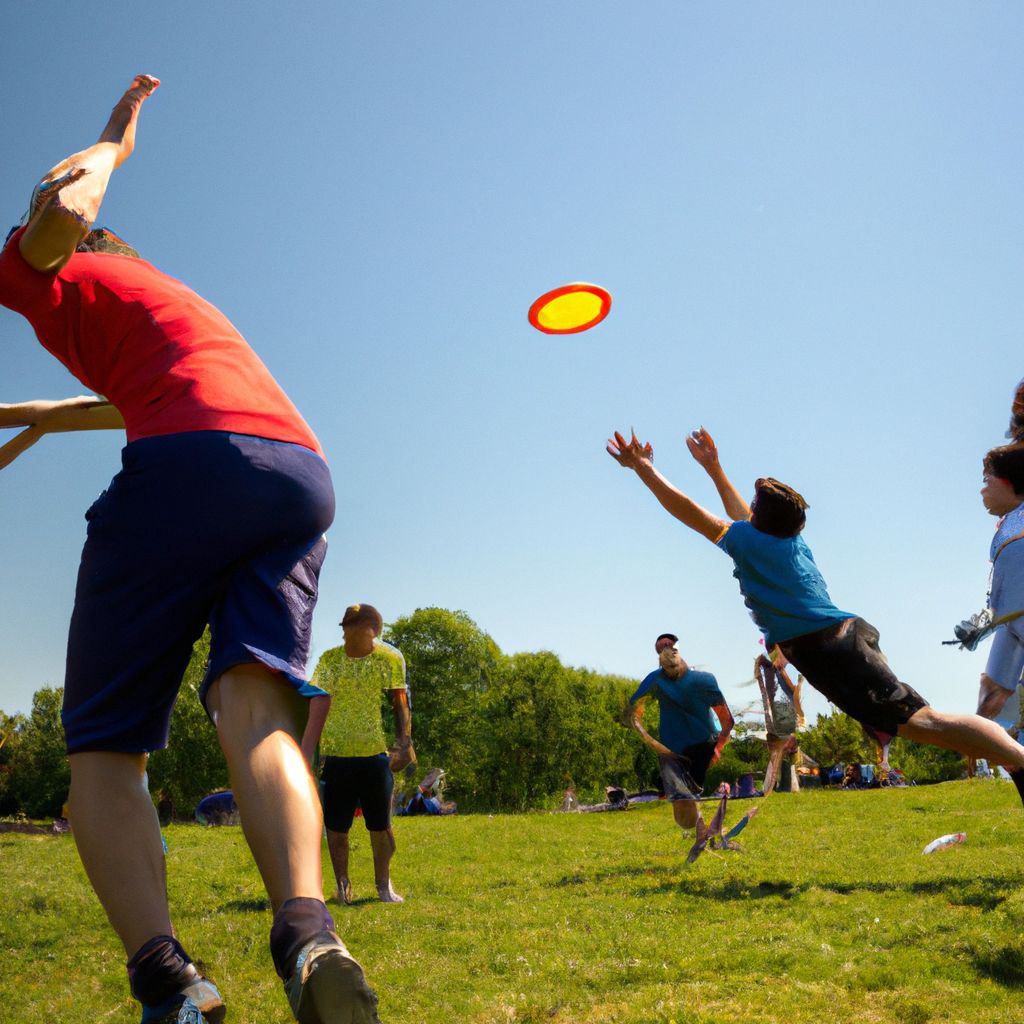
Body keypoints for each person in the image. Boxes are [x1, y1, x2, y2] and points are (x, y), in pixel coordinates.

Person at [0, 77, 380, 1024]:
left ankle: (169, 983)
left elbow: (60, 213)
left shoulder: (39, 263)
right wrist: (42, 419)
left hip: (185, 471)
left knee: (104, 749)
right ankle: (307, 932)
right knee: (255, 713)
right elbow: (150, 396)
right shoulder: (159, 292)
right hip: (296, 470)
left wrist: (106, 156)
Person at [606, 425, 1024, 804]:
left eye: (754, 506)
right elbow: (744, 519)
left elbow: (686, 510)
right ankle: (1016, 763)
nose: (747, 511)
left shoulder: (751, 542)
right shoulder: (788, 541)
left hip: (831, 649)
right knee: (918, 722)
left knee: (922, 722)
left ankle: (1018, 759)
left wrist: (643, 468)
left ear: (761, 520)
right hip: (840, 640)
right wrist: (714, 469)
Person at [302, 604, 415, 905]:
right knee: (336, 828)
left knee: (381, 827)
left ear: (373, 630)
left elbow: (400, 702)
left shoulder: (389, 659)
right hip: (336, 756)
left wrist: (404, 743)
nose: (347, 635)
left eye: (355, 628)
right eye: (345, 629)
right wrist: (307, 752)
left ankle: (383, 886)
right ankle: (343, 887)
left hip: (374, 755)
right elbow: (316, 703)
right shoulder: (329, 661)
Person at [621, 633, 734, 837]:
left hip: (703, 745)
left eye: (670, 644)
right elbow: (631, 713)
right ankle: (700, 825)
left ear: (678, 649)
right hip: (671, 751)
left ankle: (702, 826)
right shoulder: (655, 680)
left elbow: (727, 720)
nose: (666, 647)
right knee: (684, 820)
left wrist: (718, 748)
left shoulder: (704, 680)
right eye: (661, 646)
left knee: (689, 800)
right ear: (658, 655)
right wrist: (646, 734)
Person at [973, 445, 1024, 726]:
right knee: (992, 702)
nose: (982, 491)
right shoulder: (1009, 526)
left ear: (1009, 483)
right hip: (1011, 624)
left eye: (986, 481)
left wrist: (983, 622)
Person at [753, 645, 804, 795]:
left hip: (786, 714)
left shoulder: (791, 668)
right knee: (777, 750)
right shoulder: (771, 670)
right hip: (776, 714)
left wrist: (780, 669)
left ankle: (788, 785)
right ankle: (773, 785)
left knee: (786, 750)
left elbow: (796, 690)